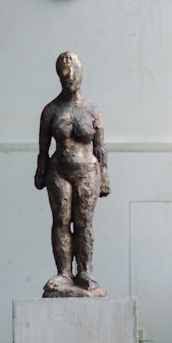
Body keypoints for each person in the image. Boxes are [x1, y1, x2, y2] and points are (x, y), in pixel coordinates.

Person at [34, 51, 109, 296]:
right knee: (61, 221)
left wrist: (105, 176)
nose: (71, 78)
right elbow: (43, 147)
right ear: (59, 77)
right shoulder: (50, 110)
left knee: (84, 222)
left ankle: (84, 271)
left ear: (81, 74)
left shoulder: (92, 110)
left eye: (75, 72)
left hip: (88, 171)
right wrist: (41, 170)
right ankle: (64, 273)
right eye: (65, 74)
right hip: (60, 171)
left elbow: (100, 146)